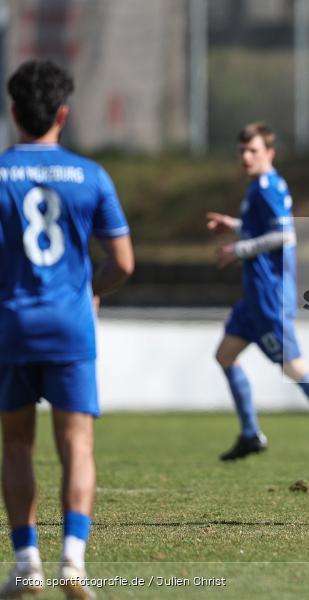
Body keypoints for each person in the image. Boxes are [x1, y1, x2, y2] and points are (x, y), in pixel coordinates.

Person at [0, 59, 134, 599]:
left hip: (11, 326)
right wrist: (92, 288)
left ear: (14, 114)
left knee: (15, 445)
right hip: (70, 327)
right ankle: (72, 562)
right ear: (63, 113)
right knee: (76, 443)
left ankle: (26, 560)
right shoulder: (91, 176)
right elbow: (123, 264)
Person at [207, 122, 309, 466]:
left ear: (270, 153)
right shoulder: (259, 188)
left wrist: (239, 248)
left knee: (294, 367)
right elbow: (264, 228)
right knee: (225, 355)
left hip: (270, 298)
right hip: (253, 298)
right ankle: (250, 434)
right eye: (242, 151)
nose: (246, 157)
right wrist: (233, 226)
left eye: (254, 151)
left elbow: (284, 236)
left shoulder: (267, 187)